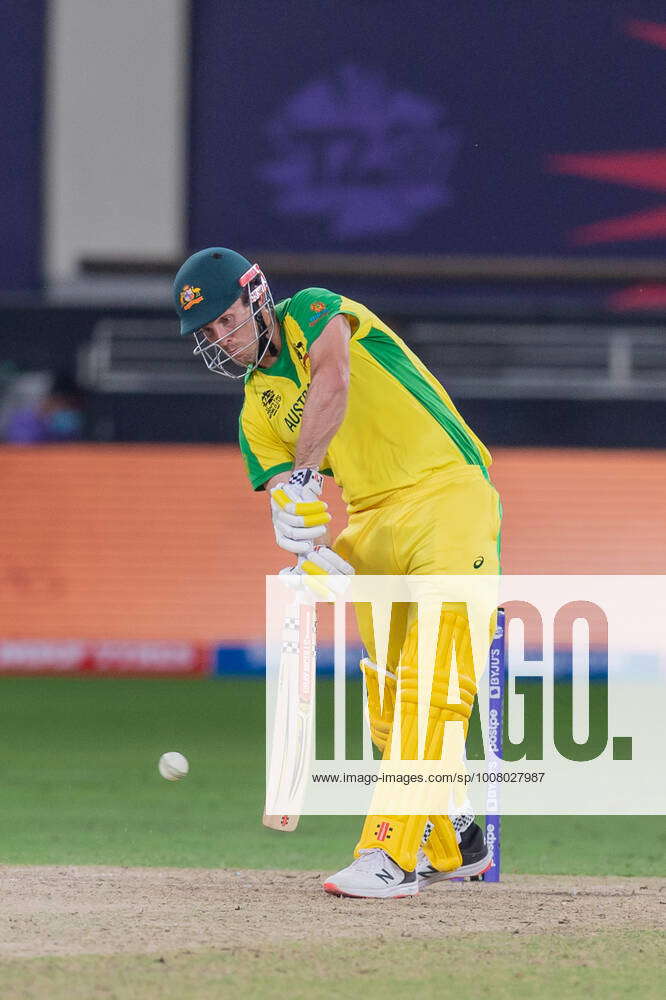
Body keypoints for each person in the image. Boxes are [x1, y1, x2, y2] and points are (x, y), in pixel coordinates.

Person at [173, 247, 502, 898]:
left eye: (225, 318)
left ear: (258, 295)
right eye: (207, 333)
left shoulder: (315, 313)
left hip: (449, 496)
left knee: (431, 686)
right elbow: (289, 501)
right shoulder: (256, 411)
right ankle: (455, 841)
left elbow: (333, 383)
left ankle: (390, 858)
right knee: (384, 705)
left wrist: (300, 475)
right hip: (372, 521)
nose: (221, 338)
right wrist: (300, 539)